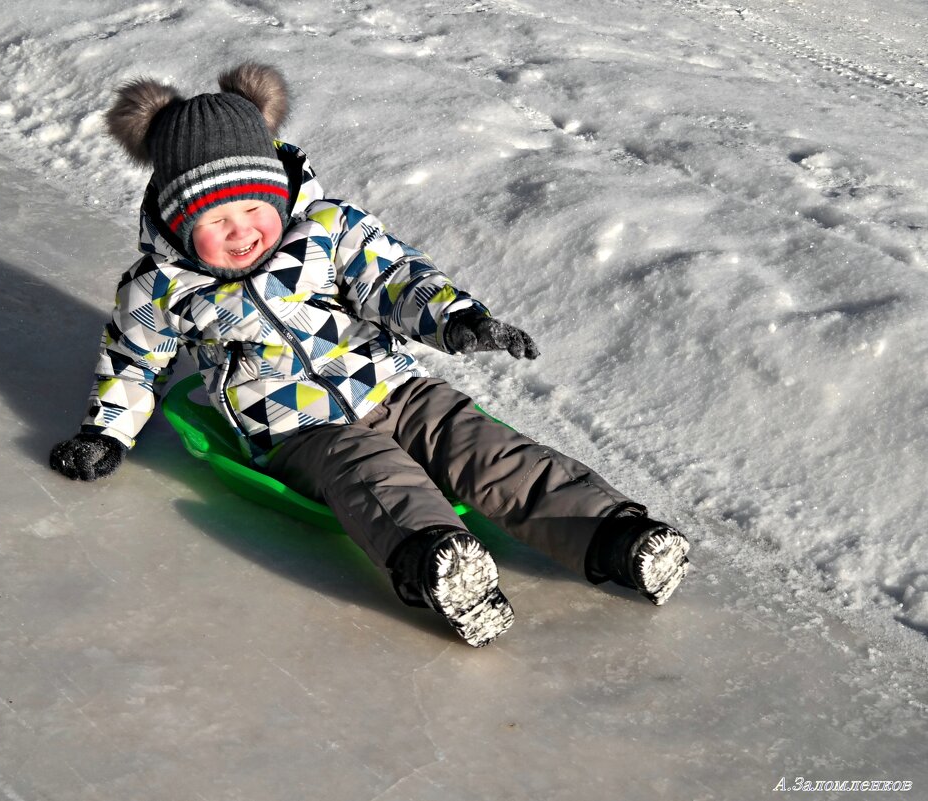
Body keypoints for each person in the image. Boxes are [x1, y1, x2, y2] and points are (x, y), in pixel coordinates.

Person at [49, 63, 690, 647]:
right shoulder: (160, 287)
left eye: (253, 207)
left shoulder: (329, 231)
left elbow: (394, 282)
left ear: (277, 194)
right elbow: (134, 361)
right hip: (298, 428)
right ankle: (439, 561)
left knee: (487, 449)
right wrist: (106, 432)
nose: (241, 230)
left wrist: (458, 320)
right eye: (215, 221)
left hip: (395, 388)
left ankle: (613, 535)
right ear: (178, 223)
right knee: (370, 472)